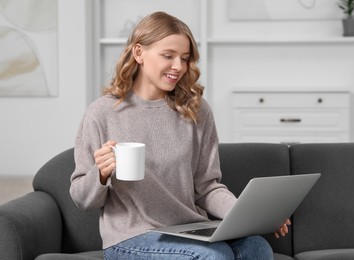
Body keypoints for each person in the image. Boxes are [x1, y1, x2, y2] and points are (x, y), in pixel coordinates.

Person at [70, 11, 290, 260]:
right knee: (213, 256)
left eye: (185, 58)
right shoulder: (102, 113)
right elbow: (81, 198)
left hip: (188, 229)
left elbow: (207, 187)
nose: (179, 67)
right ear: (139, 53)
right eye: (168, 56)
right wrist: (99, 174)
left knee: (257, 247)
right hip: (131, 238)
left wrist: (254, 216)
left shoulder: (196, 111)